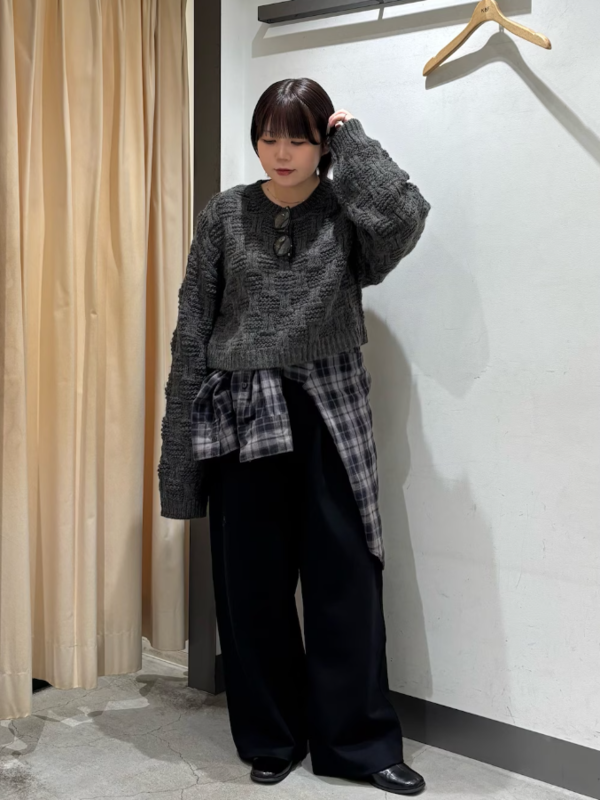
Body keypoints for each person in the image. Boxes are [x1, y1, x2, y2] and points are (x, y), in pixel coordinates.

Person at [158, 78, 431, 795]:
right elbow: (193, 328)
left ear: (322, 145)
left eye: (301, 139)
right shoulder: (224, 214)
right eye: (269, 137)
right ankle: (271, 736)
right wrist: (179, 460)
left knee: (347, 578)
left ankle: (359, 745)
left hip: (328, 408)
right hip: (242, 411)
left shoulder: (347, 212)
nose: (282, 152)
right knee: (252, 585)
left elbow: (406, 218)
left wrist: (354, 143)